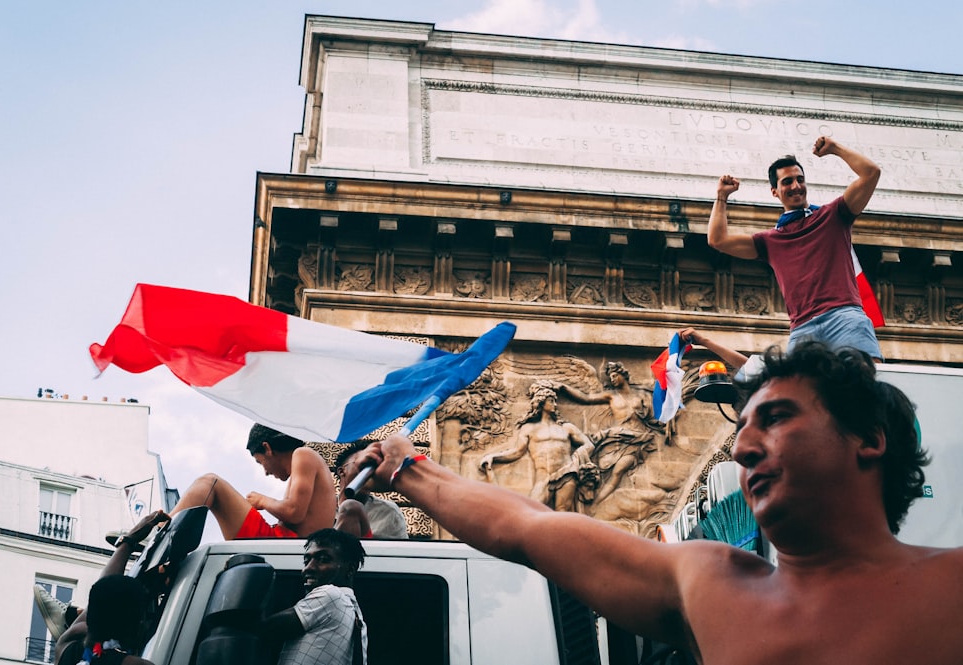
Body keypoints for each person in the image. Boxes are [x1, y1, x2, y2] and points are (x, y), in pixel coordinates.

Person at [349, 341, 963, 663]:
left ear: (870, 441)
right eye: (743, 425)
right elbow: (527, 527)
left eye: (775, 418)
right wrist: (409, 472)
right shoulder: (711, 583)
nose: (744, 446)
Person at [707, 136, 883, 360]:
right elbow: (717, 240)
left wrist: (835, 149)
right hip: (803, 330)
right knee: (800, 393)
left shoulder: (833, 215)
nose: (796, 186)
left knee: (863, 385)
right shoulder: (770, 241)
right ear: (775, 191)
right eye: (787, 182)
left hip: (844, 317)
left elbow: (871, 173)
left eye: (800, 179)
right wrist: (722, 196)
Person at [167, 424, 336, 540]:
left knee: (210, 483)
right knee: (209, 484)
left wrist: (263, 501)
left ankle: (160, 529)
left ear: (268, 449)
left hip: (282, 543)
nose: (266, 472)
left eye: (260, 462)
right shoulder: (306, 464)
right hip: (286, 543)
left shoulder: (303, 454)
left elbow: (294, 511)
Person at [55, 511, 169, 665]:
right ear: (134, 626)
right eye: (142, 618)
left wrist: (128, 541)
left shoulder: (66, 649)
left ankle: (71, 613)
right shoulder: (136, 664)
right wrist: (129, 540)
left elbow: (103, 596)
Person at [480, 381, 598, 512]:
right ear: (542, 403)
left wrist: (576, 458)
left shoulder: (566, 428)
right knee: (531, 510)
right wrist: (494, 457)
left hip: (567, 473)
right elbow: (517, 452)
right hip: (543, 477)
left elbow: (588, 445)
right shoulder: (529, 429)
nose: (555, 404)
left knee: (562, 512)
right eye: (551, 401)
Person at [557, 362, 664, 504]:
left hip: (638, 439)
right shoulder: (611, 396)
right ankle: (590, 497)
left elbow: (656, 414)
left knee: (618, 471)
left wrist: (667, 423)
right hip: (616, 437)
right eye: (610, 377)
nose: (612, 379)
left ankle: (597, 502)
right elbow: (586, 398)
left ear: (623, 375)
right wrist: (564, 388)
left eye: (615, 375)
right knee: (601, 465)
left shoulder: (642, 394)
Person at [262, 528, 368, 665]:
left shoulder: (330, 595)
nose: (308, 568)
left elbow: (262, 631)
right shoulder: (357, 617)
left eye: (323, 559)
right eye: (306, 561)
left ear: (350, 569)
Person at [334, 442, 408, 539]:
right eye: (362, 464)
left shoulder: (388, 512)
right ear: (342, 471)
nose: (368, 472)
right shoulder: (321, 507)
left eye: (372, 467)